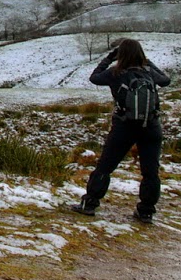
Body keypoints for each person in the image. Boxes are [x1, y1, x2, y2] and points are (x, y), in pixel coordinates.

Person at [69, 37, 169, 223]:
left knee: (105, 166)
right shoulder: (149, 73)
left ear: (120, 55)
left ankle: (89, 204)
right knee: (150, 171)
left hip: (124, 126)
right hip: (151, 126)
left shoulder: (115, 73)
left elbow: (94, 77)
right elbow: (166, 80)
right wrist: (147, 62)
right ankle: (146, 211)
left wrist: (109, 58)